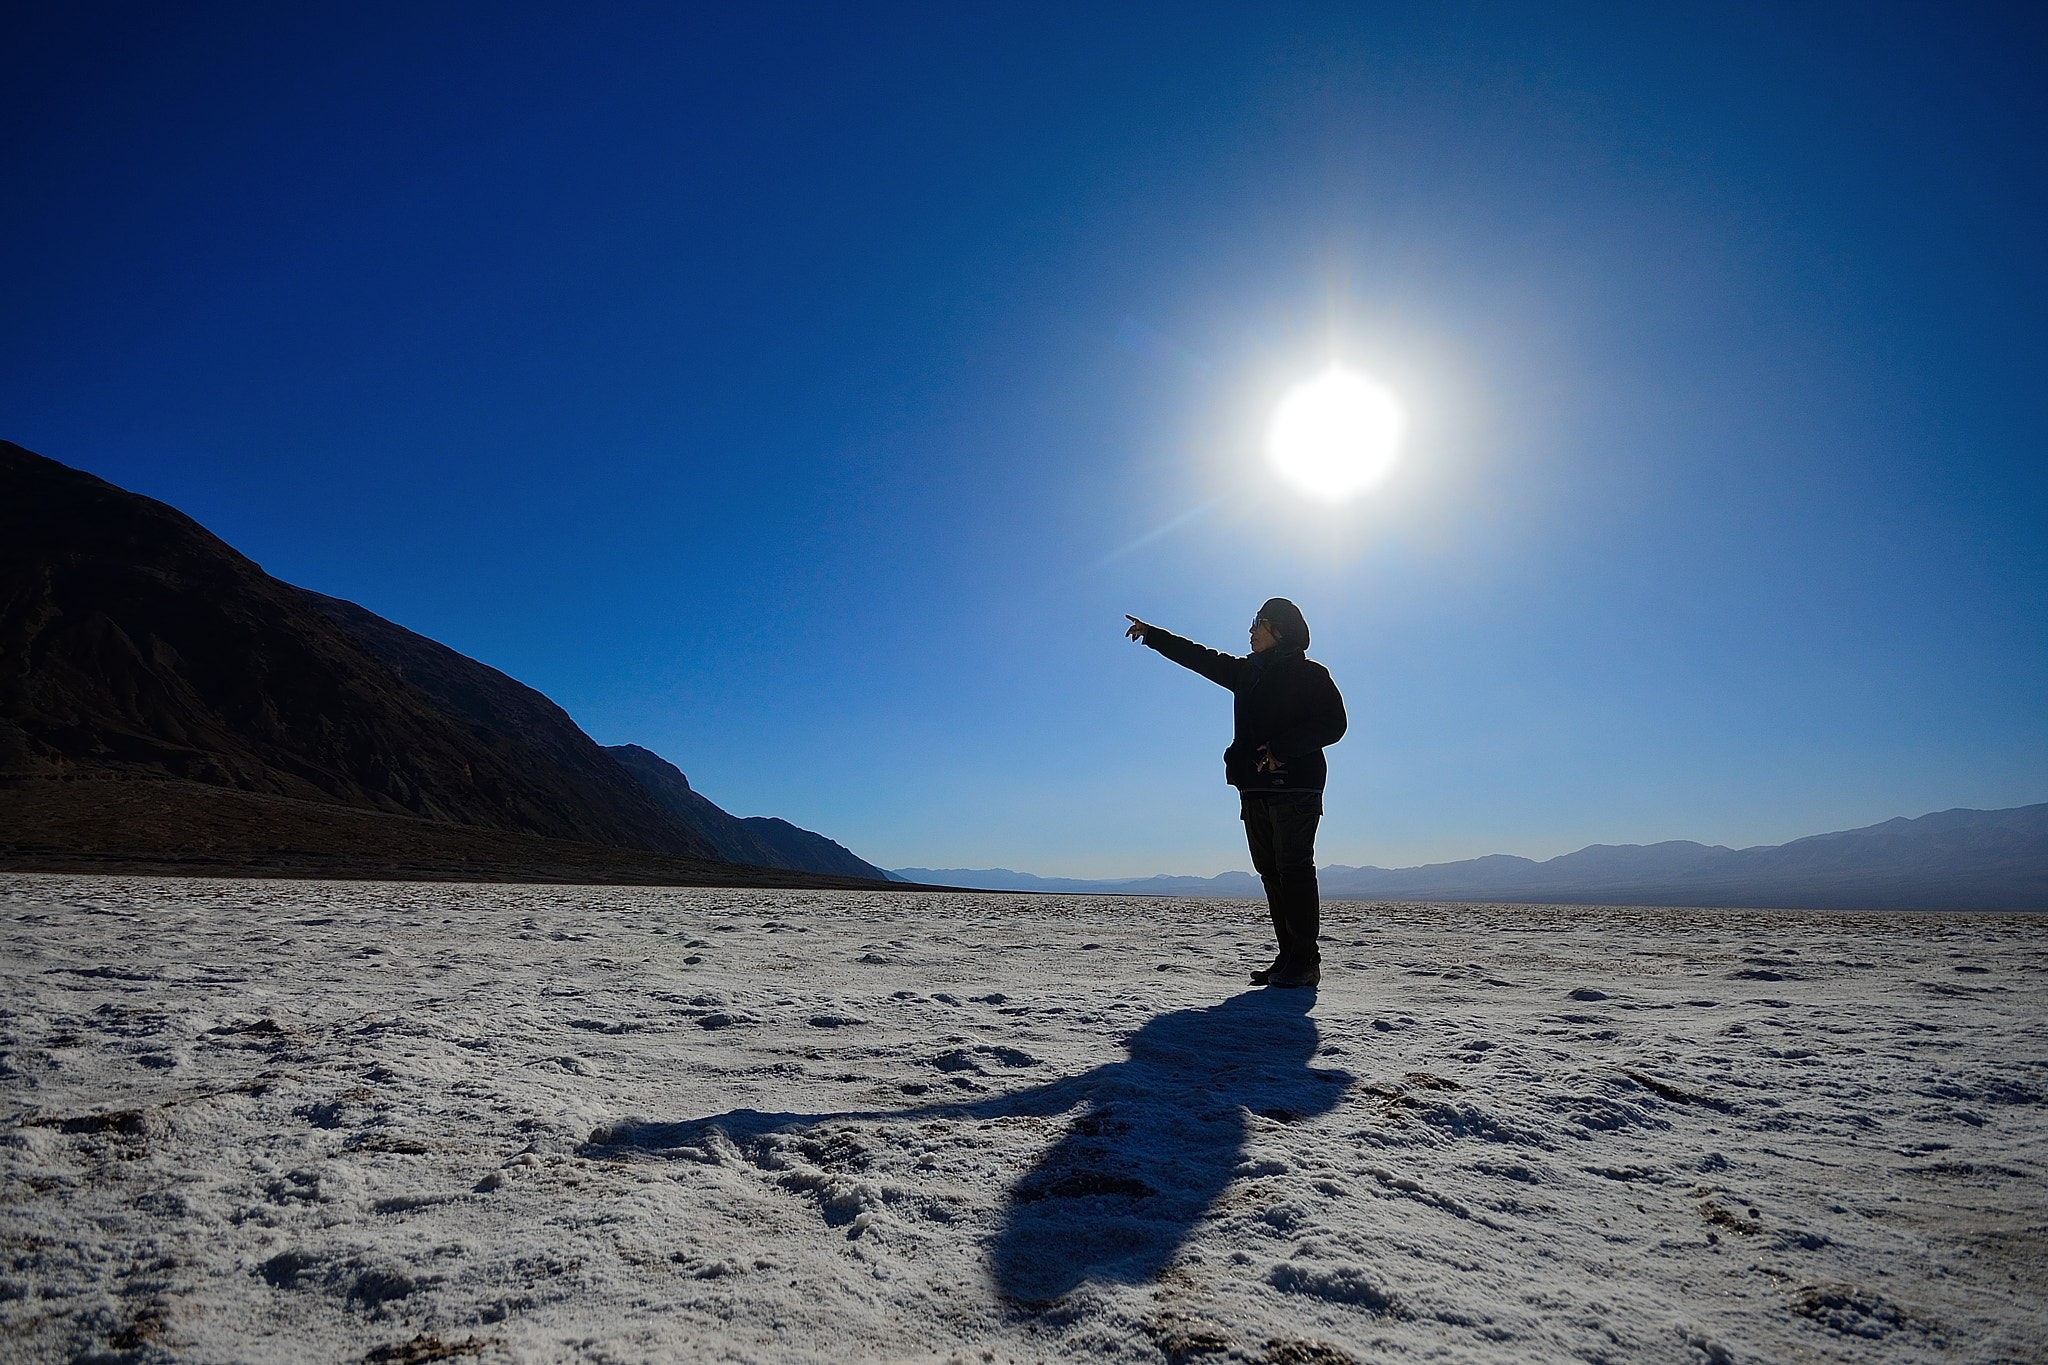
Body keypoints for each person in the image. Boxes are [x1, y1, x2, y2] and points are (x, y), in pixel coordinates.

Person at [1124, 599, 1346, 988]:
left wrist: (1281, 749)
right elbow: (1199, 658)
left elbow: (1334, 724)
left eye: (1258, 623)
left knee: (1293, 869)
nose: (1251, 630)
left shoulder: (1312, 675)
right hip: (1254, 788)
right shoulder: (1247, 673)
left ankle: (1306, 962)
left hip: (1296, 787)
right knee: (1271, 872)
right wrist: (1153, 635)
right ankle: (1289, 956)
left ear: (1281, 629)